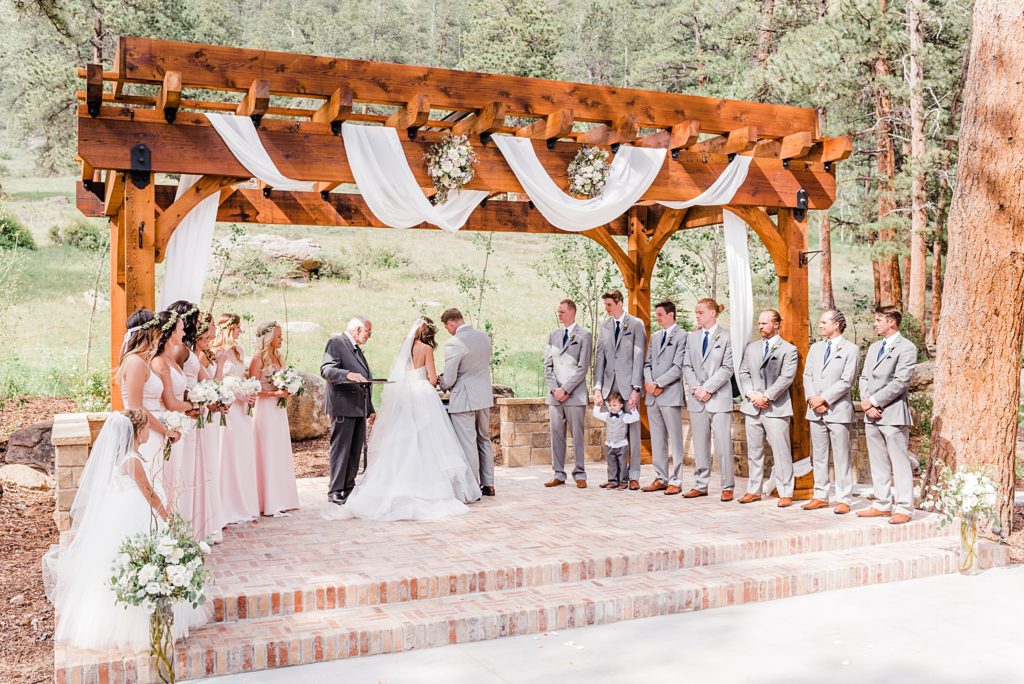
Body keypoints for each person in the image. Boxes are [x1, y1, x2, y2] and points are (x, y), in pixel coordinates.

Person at [49, 410, 206, 652]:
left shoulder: (125, 456)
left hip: (128, 511)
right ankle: (139, 626)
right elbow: (149, 494)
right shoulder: (131, 460)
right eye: (145, 428)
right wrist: (168, 517)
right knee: (144, 562)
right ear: (137, 431)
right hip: (138, 515)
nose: (147, 432)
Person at [329, 319, 479, 521]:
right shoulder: (426, 349)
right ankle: (427, 486)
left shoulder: (405, 348)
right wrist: (439, 378)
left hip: (404, 395)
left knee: (402, 441)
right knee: (428, 441)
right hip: (423, 395)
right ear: (429, 335)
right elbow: (432, 379)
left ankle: (390, 484)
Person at [856, 306, 919, 525]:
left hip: (892, 414)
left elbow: (901, 381)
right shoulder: (874, 348)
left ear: (891, 321)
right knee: (878, 461)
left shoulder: (907, 348)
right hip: (871, 414)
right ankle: (882, 503)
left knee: (899, 462)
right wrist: (866, 402)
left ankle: (904, 507)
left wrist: (874, 401)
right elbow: (864, 377)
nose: (875, 323)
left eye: (879, 319)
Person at [736, 309, 799, 505]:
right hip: (752, 407)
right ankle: (753, 490)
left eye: (764, 323)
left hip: (776, 408)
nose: (760, 327)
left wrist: (766, 396)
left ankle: (785, 492)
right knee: (754, 451)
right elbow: (743, 372)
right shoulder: (751, 348)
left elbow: (786, 378)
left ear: (777, 324)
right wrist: (751, 394)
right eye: (759, 323)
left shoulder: (788, 350)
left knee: (781, 452)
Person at [801, 309, 860, 514]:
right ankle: (820, 495)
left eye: (824, 322)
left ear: (836, 324)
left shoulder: (851, 350)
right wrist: (812, 399)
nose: (820, 325)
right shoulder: (816, 348)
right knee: (818, 455)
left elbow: (847, 380)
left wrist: (824, 398)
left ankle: (844, 498)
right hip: (815, 410)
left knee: (842, 455)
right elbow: (807, 375)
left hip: (837, 410)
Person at [681, 298, 735, 501]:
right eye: (696, 312)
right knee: (700, 444)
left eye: (700, 312)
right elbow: (686, 365)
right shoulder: (691, 338)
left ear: (713, 313)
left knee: (723, 444)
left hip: (719, 398)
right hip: (697, 398)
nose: (697, 315)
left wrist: (708, 388)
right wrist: (697, 388)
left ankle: (727, 485)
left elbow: (728, 368)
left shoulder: (727, 337)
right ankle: (700, 484)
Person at [592, 290, 647, 490]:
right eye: (605, 305)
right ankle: (613, 477)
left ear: (619, 303)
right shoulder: (604, 326)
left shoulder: (635, 324)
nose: (606, 308)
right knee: (613, 433)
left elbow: (639, 357)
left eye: (609, 305)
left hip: (628, 385)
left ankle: (633, 476)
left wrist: (636, 389)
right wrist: (598, 387)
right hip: (609, 386)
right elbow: (600, 357)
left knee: (632, 432)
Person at [439, 308, 496, 496]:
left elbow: (449, 378)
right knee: (484, 439)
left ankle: (472, 487)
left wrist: (441, 381)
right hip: (484, 396)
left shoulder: (454, 343)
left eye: (447, 327)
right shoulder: (484, 337)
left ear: (451, 323)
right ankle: (489, 484)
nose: (448, 331)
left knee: (467, 443)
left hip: (465, 398)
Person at [321, 317, 377, 505]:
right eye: (369, 331)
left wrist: (370, 408)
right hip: (343, 405)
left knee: (354, 450)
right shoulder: (336, 342)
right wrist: (347, 375)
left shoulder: (356, 349)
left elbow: (365, 380)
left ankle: (349, 486)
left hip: (358, 407)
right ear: (358, 329)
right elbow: (327, 370)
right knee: (341, 449)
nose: (370, 335)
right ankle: (336, 489)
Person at [212, 313, 260, 524]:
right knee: (228, 453)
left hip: (242, 412)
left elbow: (242, 377)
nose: (241, 331)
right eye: (238, 327)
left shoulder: (239, 351)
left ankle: (244, 502)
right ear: (230, 328)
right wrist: (237, 393)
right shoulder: (214, 351)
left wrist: (249, 392)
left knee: (242, 453)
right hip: (228, 410)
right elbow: (216, 381)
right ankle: (226, 504)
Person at [249, 321, 300, 516]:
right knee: (267, 451)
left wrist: (289, 388)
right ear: (268, 338)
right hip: (265, 410)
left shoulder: (278, 357)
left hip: (279, 411)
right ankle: (267, 500)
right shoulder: (257, 359)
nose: (281, 340)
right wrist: (275, 394)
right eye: (279, 336)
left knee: (279, 451)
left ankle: (282, 497)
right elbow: (252, 389)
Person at [542, 299, 593, 489]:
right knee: (556, 435)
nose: (559, 314)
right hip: (555, 395)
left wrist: (566, 389)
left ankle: (580, 473)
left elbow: (583, 367)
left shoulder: (584, 335)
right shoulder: (553, 335)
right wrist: (555, 389)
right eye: (558, 311)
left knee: (577, 435)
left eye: (562, 311)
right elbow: (547, 365)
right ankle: (558, 473)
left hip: (575, 394)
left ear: (572, 312)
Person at [641, 300, 688, 495]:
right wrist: (650, 383)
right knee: (658, 439)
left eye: (660, 314)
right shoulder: (656, 336)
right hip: (653, 396)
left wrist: (659, 384)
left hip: (669, 394)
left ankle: (676, 481)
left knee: (675, 439)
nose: (657, 318)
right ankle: (661, 478)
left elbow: (678, 367)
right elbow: (647, 363)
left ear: (671, 315)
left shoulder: (683, 336)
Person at [593, 392, 640, 491]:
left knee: (622, 464)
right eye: (610, 405)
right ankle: (612, 481)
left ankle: (623, 482)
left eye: (614, 405)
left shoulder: (625, 416)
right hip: (610, 445)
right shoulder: (607, 415)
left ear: (621, 405)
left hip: (621, 445)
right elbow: (595, 414)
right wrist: (597, 406)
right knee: (611, 464)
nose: (612, 407)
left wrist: (633, 409)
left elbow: (636, 417)